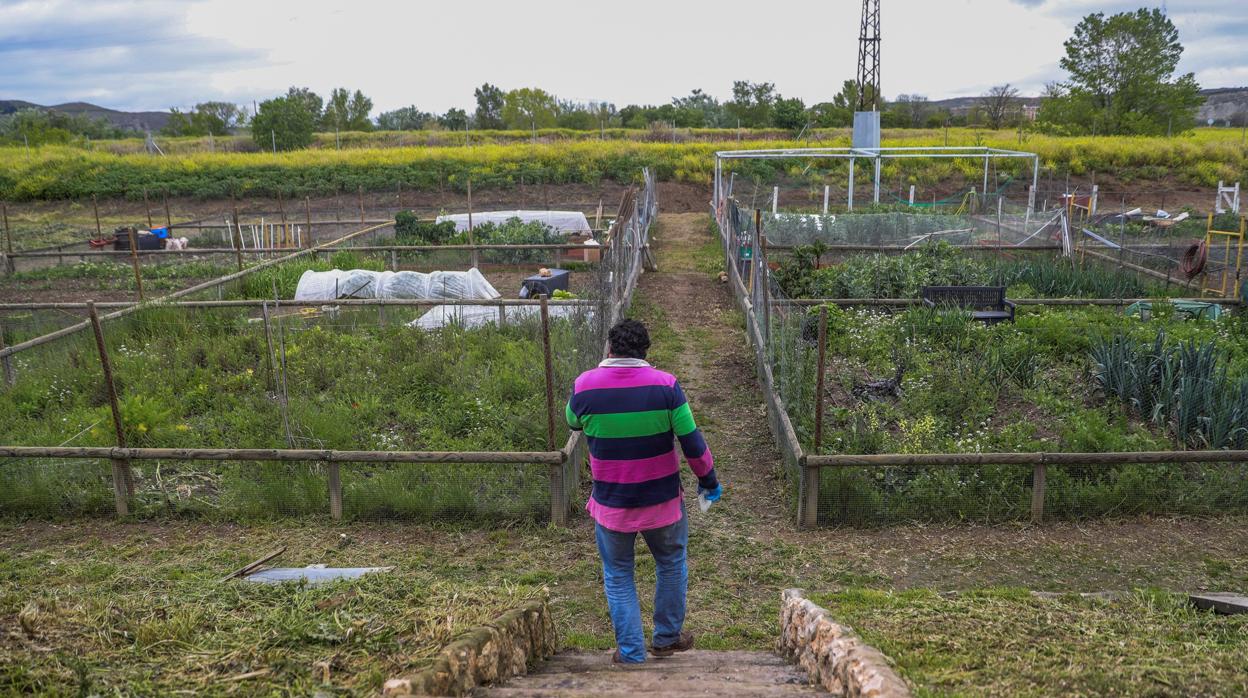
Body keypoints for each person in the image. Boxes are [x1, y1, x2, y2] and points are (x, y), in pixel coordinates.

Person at [565, 318, 722, 664]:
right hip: (662, 503)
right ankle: (666, 638)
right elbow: (692, 442)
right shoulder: (666, 386)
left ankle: (632, 653)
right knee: (670, 563)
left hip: (611, 505)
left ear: (610, 348)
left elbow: (572, 421)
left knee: (618, 574)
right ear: (645, 351)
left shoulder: (585, 386)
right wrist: (708, 480)